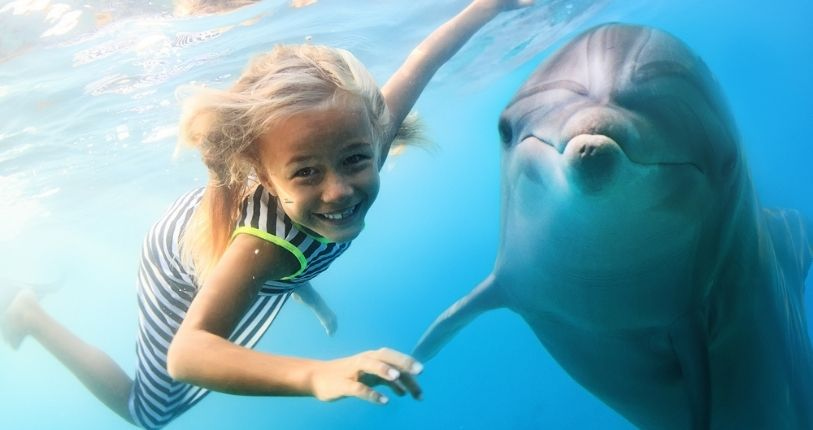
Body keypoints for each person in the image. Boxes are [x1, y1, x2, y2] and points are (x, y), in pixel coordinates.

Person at [1, 1, 534, 429]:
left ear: (373, 136)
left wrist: (487, 6)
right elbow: (186, 354)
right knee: (150, 414)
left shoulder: (365, 131)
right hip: (181, 257)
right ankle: (29, 315)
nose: (341, 190)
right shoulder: (266, 244)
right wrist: (314, 375)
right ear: (263, 173)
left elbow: (423, 60)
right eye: (305, 172)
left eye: (355, 160)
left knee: (291, 243)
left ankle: (293, 276)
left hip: (269, 242)